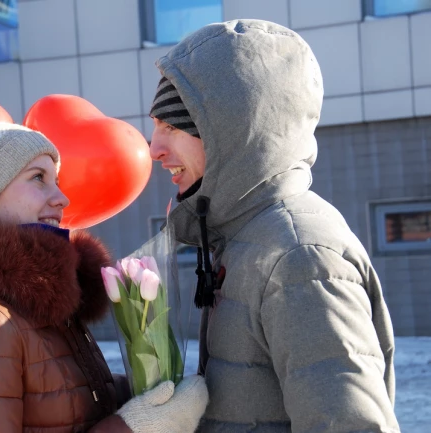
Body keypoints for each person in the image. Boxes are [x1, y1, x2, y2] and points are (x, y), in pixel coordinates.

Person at [147, 19, 400, 432]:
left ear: (236, 132)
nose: (154, 149)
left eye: (171, 127)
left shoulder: (299, 256)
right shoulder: (245, 237)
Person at [0, 121, 208, 433]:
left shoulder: (30, 304)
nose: (61, 199)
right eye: (38, 177)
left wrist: (148, 390)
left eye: (57, 181)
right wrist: (133, 427)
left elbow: (61, 405)